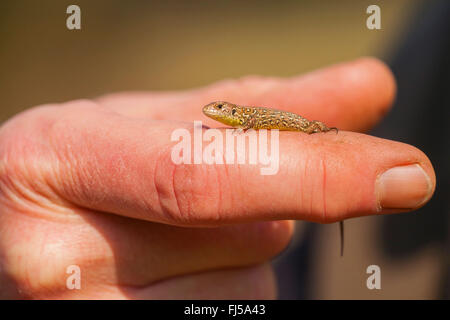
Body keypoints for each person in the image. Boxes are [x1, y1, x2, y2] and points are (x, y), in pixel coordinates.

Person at [0, 58, 435, 299]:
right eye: (218, 112)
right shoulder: (425, 52)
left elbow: (278, 120)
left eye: (220, 112)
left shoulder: (247, 120)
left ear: (231, 114)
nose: (214, 116)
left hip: (303, 127)